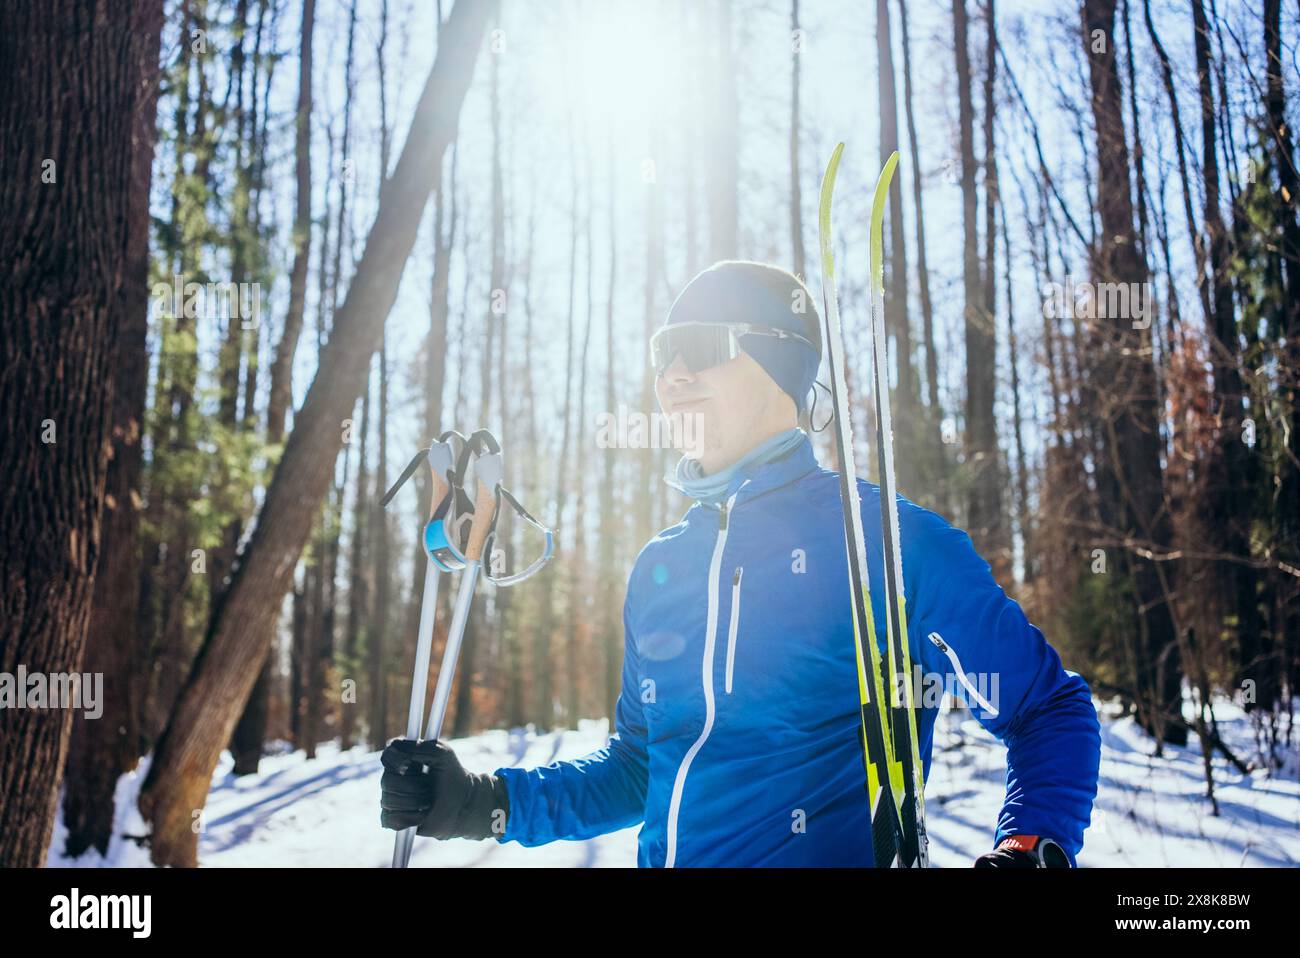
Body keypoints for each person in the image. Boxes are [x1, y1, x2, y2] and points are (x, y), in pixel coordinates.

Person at [380, 260, 1101, 868]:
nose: (672, 375)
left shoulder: (887, 542)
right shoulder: (661, 568)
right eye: (663, 353)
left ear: (783, 359)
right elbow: (639, 768)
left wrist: (1029, 848)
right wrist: (483, 802)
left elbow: (1048, 710)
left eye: (699, 345)